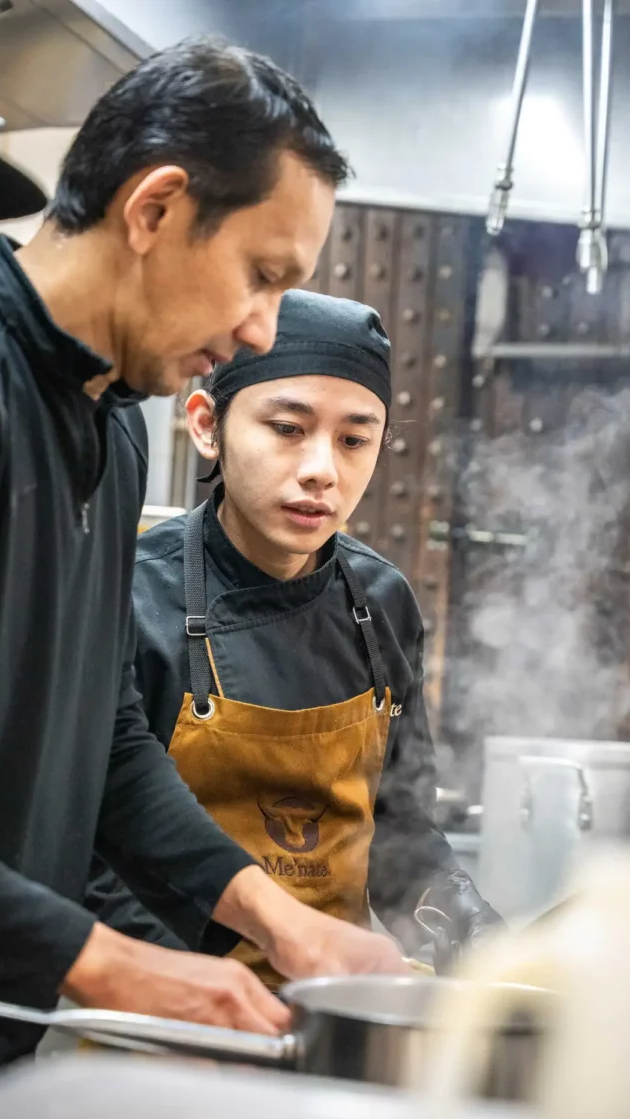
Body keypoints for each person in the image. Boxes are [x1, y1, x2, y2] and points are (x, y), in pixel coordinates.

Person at [0, 37, 405, 1080]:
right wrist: (109, 963)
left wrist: (281, 920)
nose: (261, 330)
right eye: (261, 276)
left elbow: (109, 739)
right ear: (156, 209)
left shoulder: (114, 422)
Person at [86, 289, 503, 984]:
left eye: (354, 440)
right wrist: (180, 984)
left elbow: (398, 829)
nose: (322, 470)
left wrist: (464, 920)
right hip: (162, 1010)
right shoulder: (130, 596)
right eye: (287, 428)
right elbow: (88, 842)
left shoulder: (384, 603)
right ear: (207, 425)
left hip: (333, 1008)